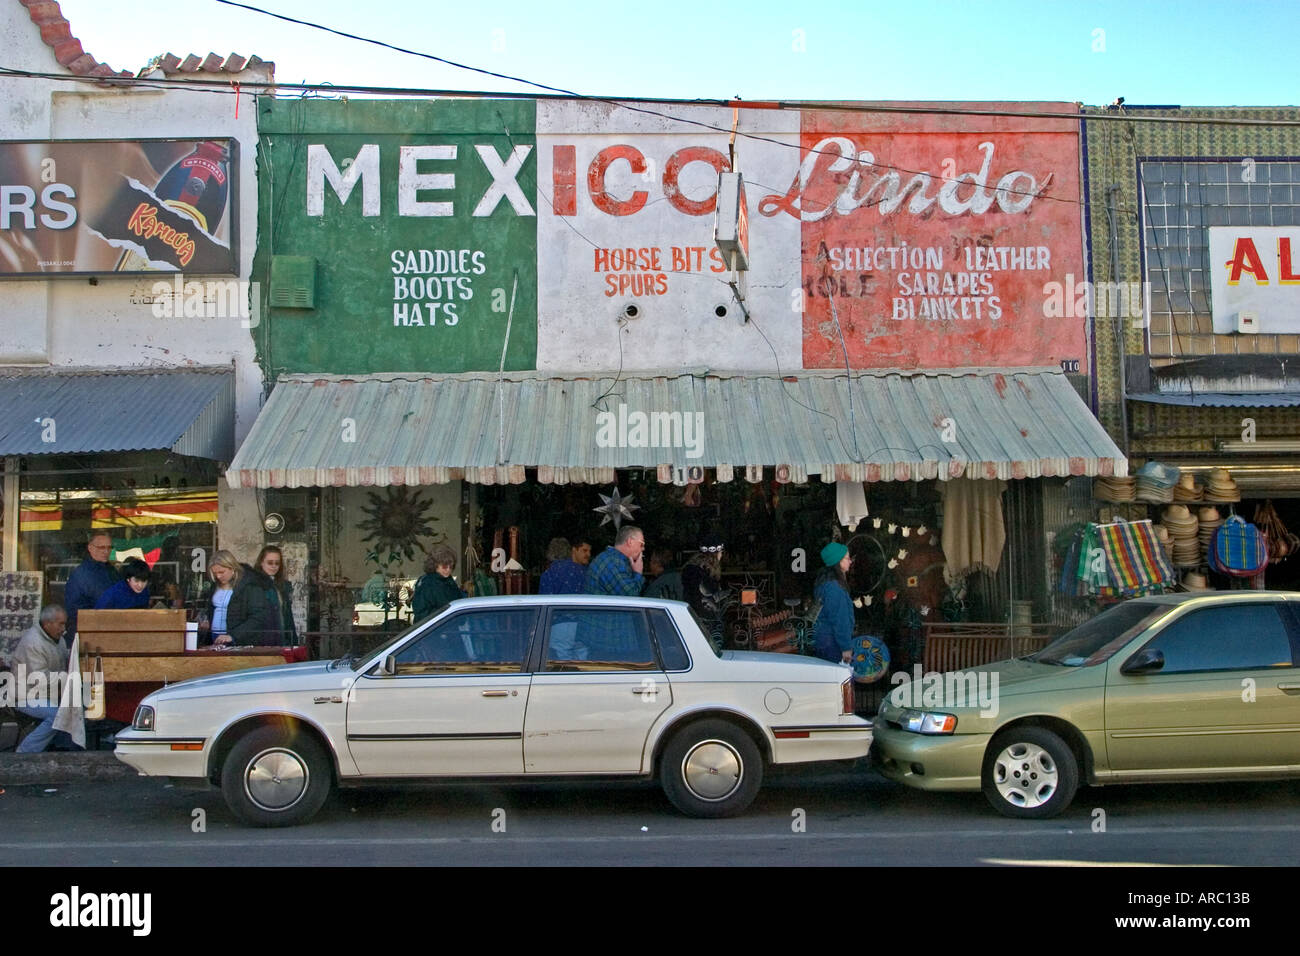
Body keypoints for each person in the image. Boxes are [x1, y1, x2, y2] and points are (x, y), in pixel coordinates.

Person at [12, 605, 79, 753]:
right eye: (60, 623)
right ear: (47, 623)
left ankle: (62, 746)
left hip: (47, 693)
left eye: (64, 623)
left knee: (77, 706)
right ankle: (24, 752)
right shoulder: (33, 642)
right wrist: (68, 677)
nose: (64, 628)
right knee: (56, 716)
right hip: (26, 696)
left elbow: (62, 657)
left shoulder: (57, 638)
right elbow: (39, 679)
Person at [222, 546, 297, 646]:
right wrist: (235, 635)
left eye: (277, 563)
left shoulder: (281, 586)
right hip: (260, 640)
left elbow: (287, 617)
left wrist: (293, 641)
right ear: (261, 562)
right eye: (270, 562)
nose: (274, 566)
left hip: (281, 639)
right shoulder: (251, 584)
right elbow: (250, 616)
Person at [62, 531, 118, 637]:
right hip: (89, 632)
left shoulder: (112, 571)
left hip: (112, 628)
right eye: (101, 547)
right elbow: (74, 610)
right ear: (90, 548)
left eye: (109, 547)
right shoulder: (81, 574)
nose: (106, 551)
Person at [812, 542, 855, 664]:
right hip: (832, 643)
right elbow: (839, 619)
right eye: (847, 558)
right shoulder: (834, 587)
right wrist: (846, 647)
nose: (850, 561)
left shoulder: (825, 582)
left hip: (824, 640)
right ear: (838, 562)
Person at [583, 525, 646, 596]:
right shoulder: (614, 563)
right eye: (642, 544)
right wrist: (638, 573)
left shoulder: (611, 558)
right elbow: (631, 597)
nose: (643, 549)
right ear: (630, 542)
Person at [412, 545, 466, 623]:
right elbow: (421, 613)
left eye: (451, 567)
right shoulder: (427, 583)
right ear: (435, 565)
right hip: (433, 628)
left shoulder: (448, 581)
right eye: (444, 566)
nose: (448, 570)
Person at [199, 550, 242, 647]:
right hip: (214, 633)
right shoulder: (214, 586)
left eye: (221, 572)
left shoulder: (242, 587)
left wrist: (235, 635)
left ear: (232, 568)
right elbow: (210, 609)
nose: (218, 576)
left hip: (231, 635)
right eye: (215, 573)